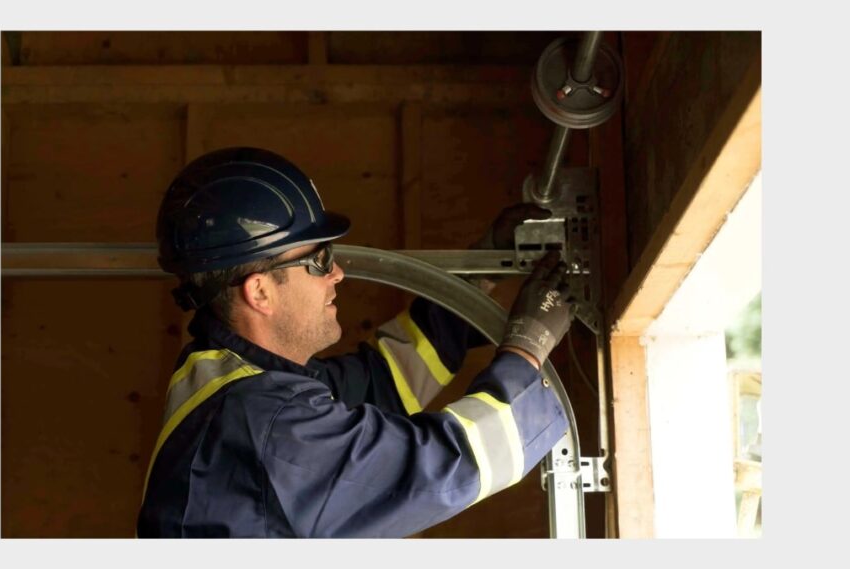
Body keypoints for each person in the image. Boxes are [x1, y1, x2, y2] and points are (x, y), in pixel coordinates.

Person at [137, 147, 575, 538]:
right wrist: (527, 347)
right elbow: (446, 466)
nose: (337, 274)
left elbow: (386, 380)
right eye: (319, 259)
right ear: (260, 292)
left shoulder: (242, 384)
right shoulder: (270, 423)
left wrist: (482, 271)